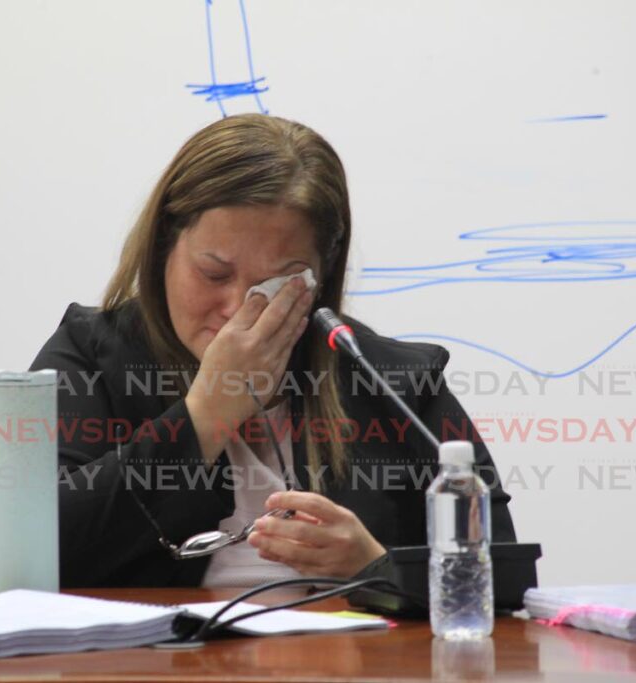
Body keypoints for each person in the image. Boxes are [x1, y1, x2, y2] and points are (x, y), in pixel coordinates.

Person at [30, 114, 515, 588]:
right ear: (163, 250)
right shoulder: (91, 352)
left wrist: (378, 567)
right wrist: (205, 414)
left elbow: (505, 577)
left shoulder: (389, 376)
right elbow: (32, 550)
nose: (240, 307)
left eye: (277, 283)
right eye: (214, 273)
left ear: (320, 275)